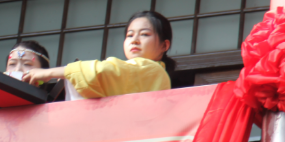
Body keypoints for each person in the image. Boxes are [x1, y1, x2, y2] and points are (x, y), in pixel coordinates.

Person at [23, 10, 173, 98]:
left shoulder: (153, 70)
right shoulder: (133, 74)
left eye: (144, 34)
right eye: (129, 35)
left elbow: (102, 72)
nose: (134, 40)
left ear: (164, 45)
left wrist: (50, 72)